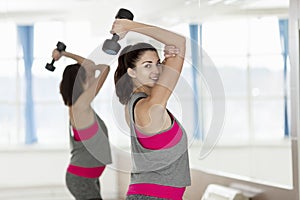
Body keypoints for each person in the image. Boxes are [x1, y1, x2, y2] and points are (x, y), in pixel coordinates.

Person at [112, 19, 191, 200]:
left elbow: (158, 79)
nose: (156, 70)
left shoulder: (134, 104)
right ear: (131, 72)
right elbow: (179, 42)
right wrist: (128, 26)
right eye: (147, 65)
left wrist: (167, 60)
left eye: (157, 63)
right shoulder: (150, 107)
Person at [52, 48, 112, 200]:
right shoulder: (80, 107)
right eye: (87, 77)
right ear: (79, 82)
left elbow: (90, 66)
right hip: (82, 179)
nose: (91, 79)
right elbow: (104, 69)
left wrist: (64, 54)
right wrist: (65, 55)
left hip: (88, 177)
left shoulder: (80, 106)